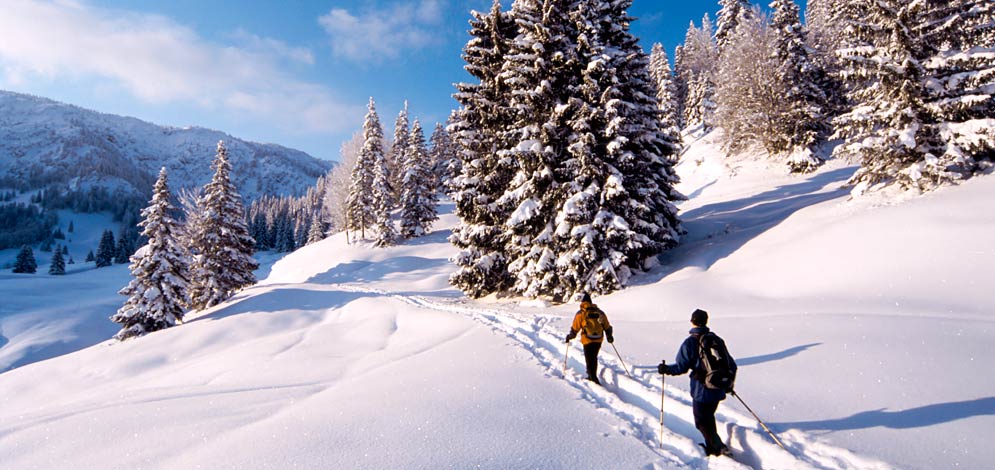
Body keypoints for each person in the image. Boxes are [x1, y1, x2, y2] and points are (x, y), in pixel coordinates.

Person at [658, 309, 737, 457]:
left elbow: (681, 367)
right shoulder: (716, 340)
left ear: (692, 321)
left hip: (702, 389)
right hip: (718, 387)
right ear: (706, 321)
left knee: (701, 421)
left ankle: (719, 447)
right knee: (708, 417)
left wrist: (665, 369)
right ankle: (712, 447)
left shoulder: (690, 343)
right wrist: (728, 384)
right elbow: (731, 365)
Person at [564, 292, 613, 385]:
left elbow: (575, 327)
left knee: (589, 358)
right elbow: (607, 326)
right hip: (598, 338)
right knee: (593, 357)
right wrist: (609, 336)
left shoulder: (581, 313)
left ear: (582, 302)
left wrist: (570, 336)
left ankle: (592, 377)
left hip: (587, 339)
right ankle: (592, 375)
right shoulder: (599, 312)